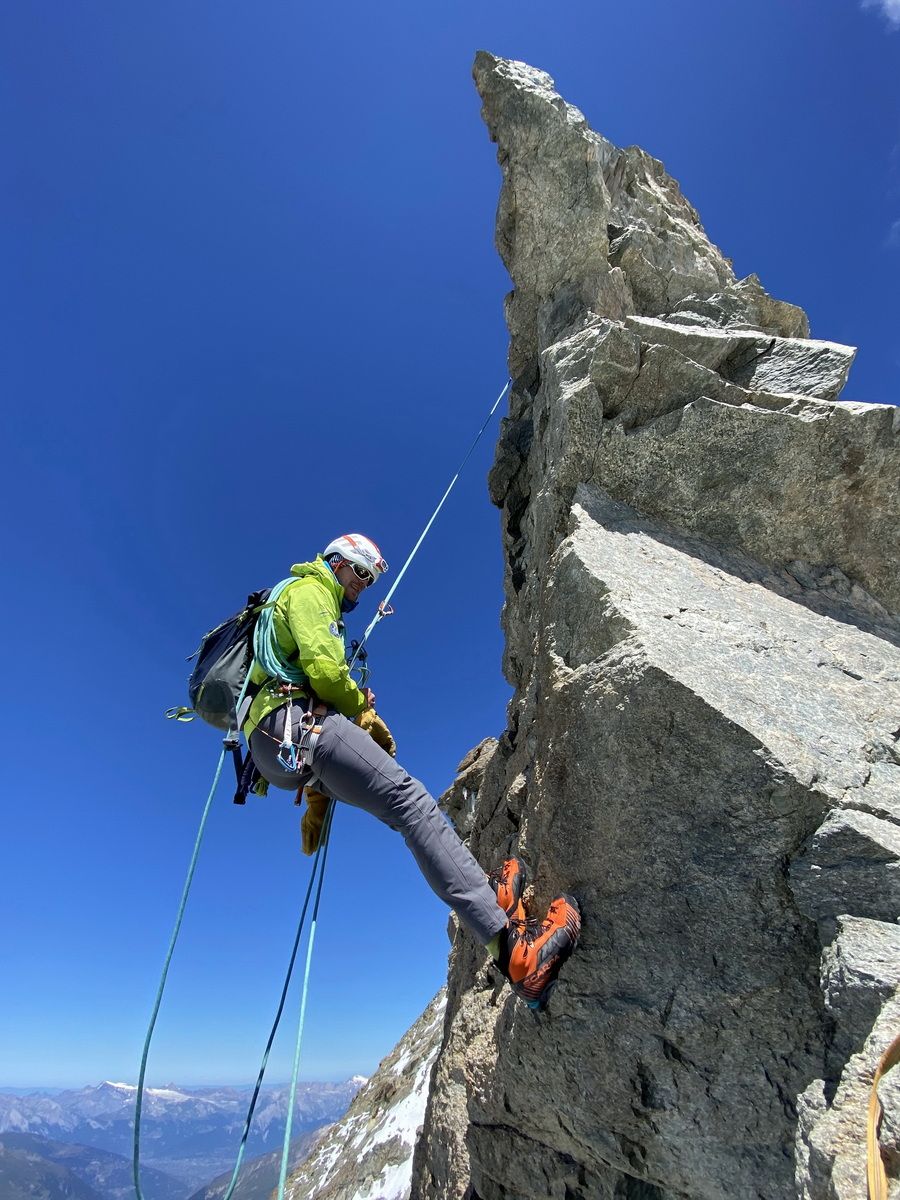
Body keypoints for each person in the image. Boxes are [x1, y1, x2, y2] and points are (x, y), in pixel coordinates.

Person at [243, 533, 581, 1009]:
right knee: (412, 802)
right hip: (297, 725)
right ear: (335, 562)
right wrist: (357, 702)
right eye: (361, 572)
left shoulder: (298, 599)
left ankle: (489, 897)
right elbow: (323, 668)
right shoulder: (310, 590)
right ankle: (515, 954)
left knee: (400, 810)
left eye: (373, 578)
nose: (365, 585)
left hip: (277, 745)